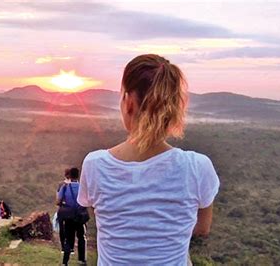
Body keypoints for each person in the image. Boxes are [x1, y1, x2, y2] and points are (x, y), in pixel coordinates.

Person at [77, 54, 220, 265]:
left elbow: (104, 218)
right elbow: (201, 228)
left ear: (129, 103)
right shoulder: (197, 167)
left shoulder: (95, 165)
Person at [57, 167, 87, 265]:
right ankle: (81, 260)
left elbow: (58, 201)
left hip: (69, 217)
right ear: (78, 175)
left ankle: (65, 262)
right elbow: (87, 201)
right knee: (81, 237)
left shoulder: (64, 187)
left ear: (69, 175)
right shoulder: (82, 187)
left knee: (68, 239)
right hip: (79, 216)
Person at [56, 168, 71, 253]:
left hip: (62, 209)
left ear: (65, 175)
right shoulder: (76, 184)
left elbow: (58, 198)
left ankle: (63, 247)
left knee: (62, 228)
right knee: (70, 228)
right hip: (72, 209)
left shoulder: (61, 184)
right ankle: (70, 247)